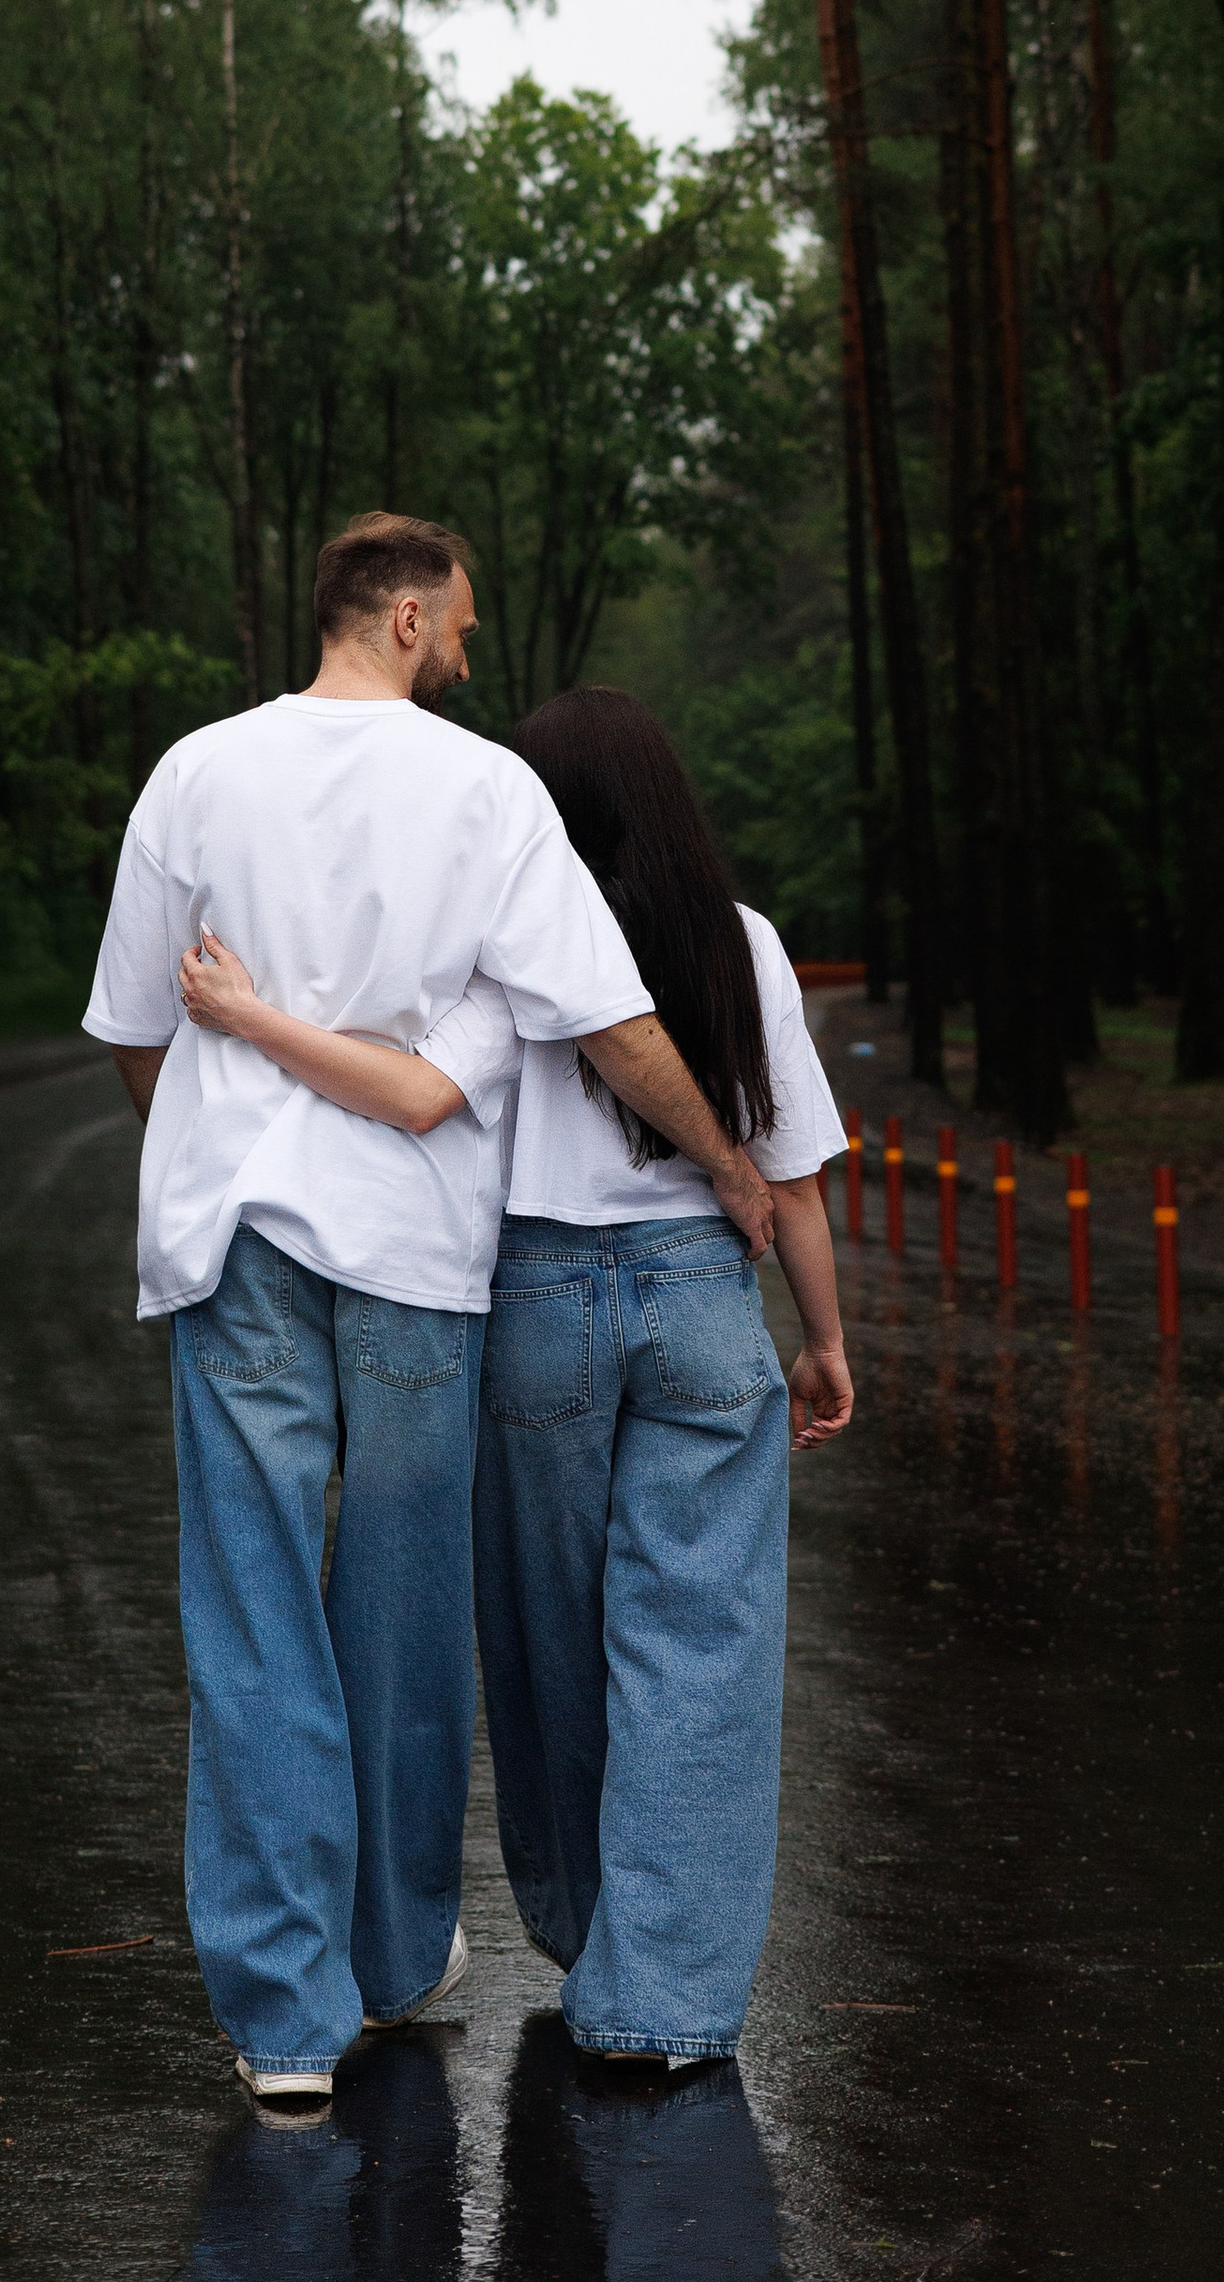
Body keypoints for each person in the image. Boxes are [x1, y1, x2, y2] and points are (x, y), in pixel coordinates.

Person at [80, 515, 776, 2124]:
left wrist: (216, 1144)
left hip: (236, 1238)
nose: (468, 654)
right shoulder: (485, 792)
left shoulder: (194, 773)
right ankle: (392, 1961)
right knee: (399, 1615)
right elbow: (611, 1025)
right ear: (402, 617)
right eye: (458, 626)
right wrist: (730, 1167)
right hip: (411, 1251)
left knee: (252, 1612)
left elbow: (134, 1035)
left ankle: (285, 2023)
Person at [475, 683, 854, 2070]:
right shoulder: (741, 945)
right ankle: (667, 2003)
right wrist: (819, 1344)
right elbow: (795, 1184)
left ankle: (588, 1936)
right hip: (704, 1296)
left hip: (536, 1301)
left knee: (545, 1633)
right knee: (700, 1650)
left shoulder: (504, 946)